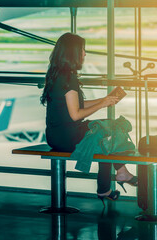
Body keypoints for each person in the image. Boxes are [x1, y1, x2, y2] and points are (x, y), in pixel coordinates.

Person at [40, 32, 137, 205]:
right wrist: (101, 104)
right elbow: (76, 114)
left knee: (103, 133)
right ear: (73, 53)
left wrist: (104, 100)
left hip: (56, 134)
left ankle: (108, 186)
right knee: (107, 133)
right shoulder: (69, 78)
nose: (84, 54)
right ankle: (120, 174)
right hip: (67, 136)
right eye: (82, 50)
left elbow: (76, 105)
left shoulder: (57, 75)